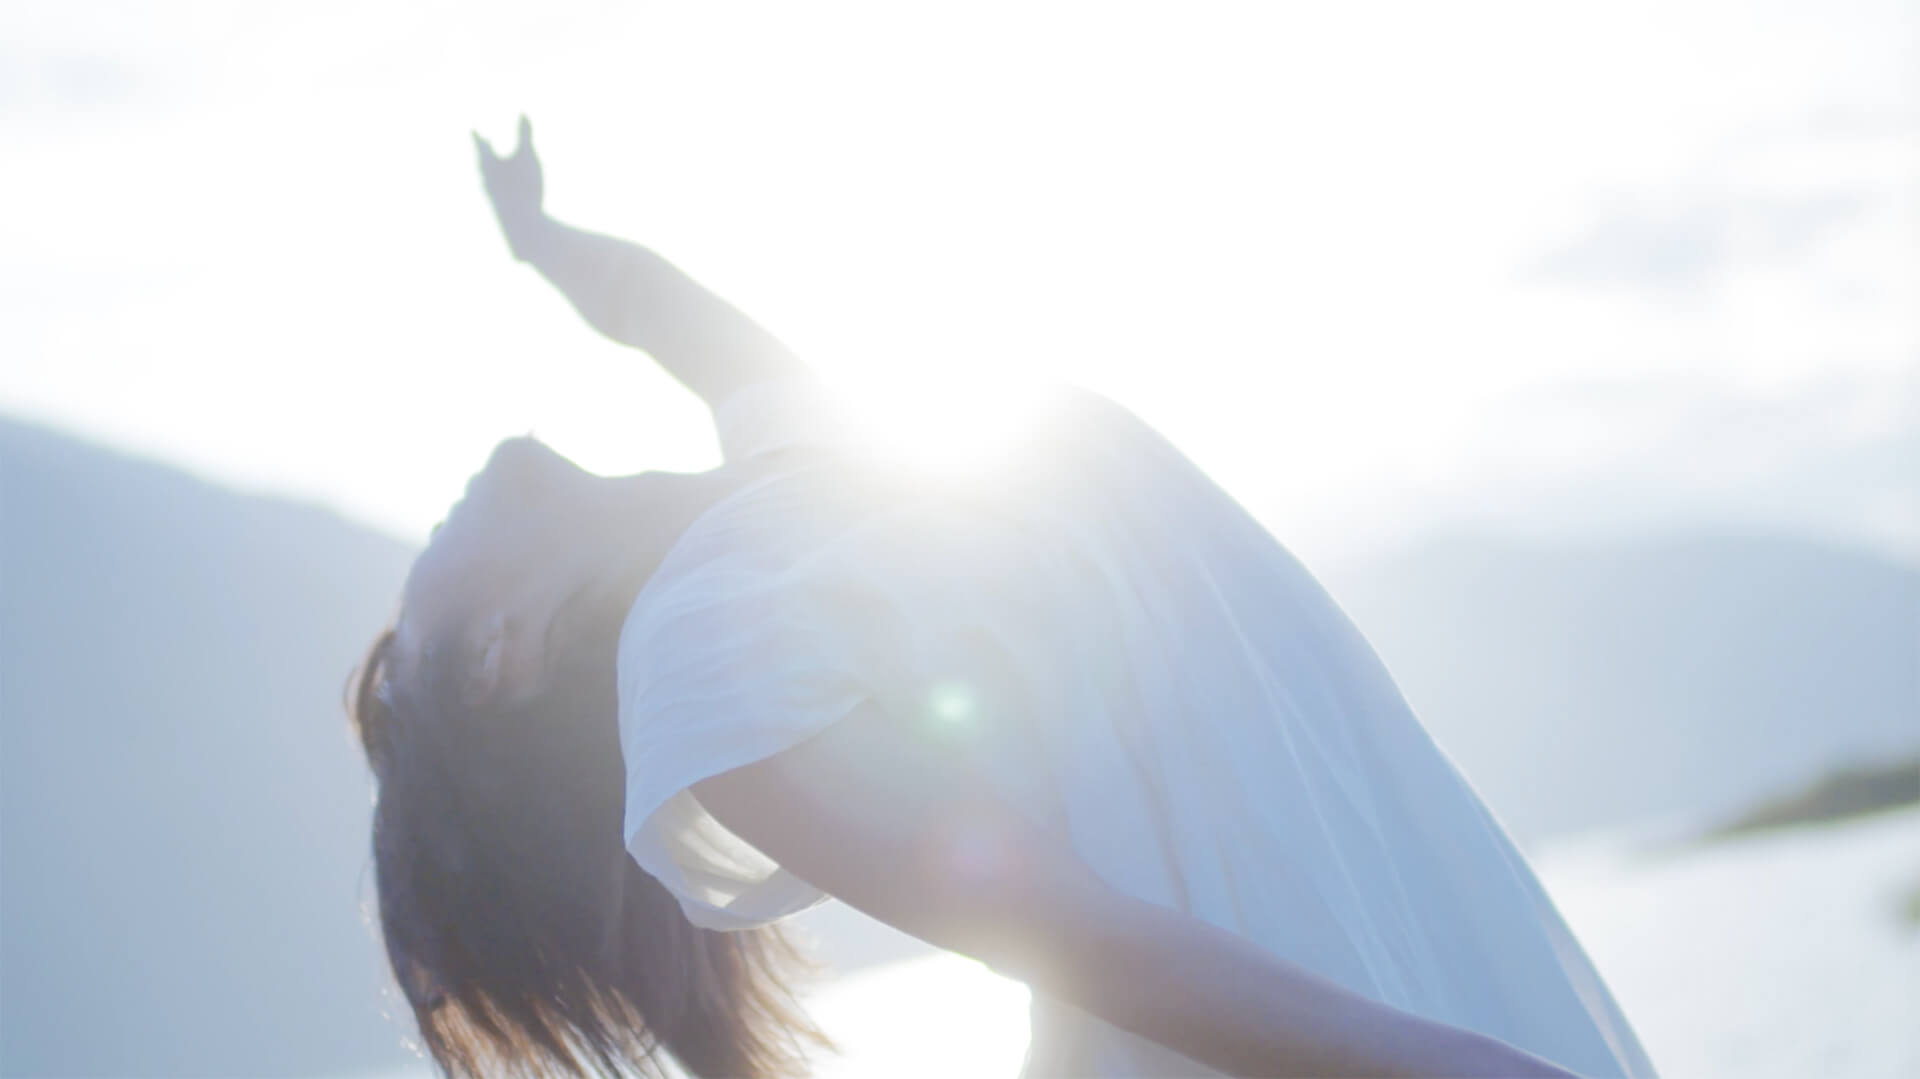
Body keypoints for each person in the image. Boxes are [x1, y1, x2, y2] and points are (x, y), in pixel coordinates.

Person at [347, 117, 1656, 1079]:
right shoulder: (697, 665)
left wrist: (541, 242)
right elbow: (1090, 943)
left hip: (1373, 951)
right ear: (500, 658)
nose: (402, 589)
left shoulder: (807, 489)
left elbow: (686, 324)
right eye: (403, 662)